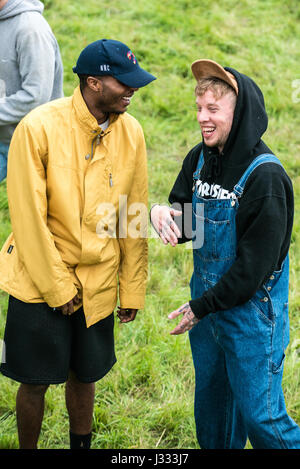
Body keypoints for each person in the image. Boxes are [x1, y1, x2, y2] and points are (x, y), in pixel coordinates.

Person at [0, 38, 156, 449]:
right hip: (38, 281)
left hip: (99, 282)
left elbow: (133, 214)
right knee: (34, 382)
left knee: (84, 376)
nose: (132, 90)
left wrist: (132, 287)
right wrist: (57, 288)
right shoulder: (37, 128)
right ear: (92, 83)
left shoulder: (133, 133)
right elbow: (29, 221)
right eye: (123, 83)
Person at [150, 59, 300, 449]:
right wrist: (159, 215)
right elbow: (187, 222)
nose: (202, 118)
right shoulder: (199, 160)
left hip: (252, 318)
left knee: (262, 419)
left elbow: (251, 271)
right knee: (214, 419)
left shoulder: (266, 179)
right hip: (209, 310)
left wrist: (202, 307)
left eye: (213, 109)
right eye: (199, 109)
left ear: (240, 111)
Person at [0, 0, 63, 182]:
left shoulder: (31, 29)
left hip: (27, 145)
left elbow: (34, 97)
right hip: (3, 134)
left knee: (35, 209)